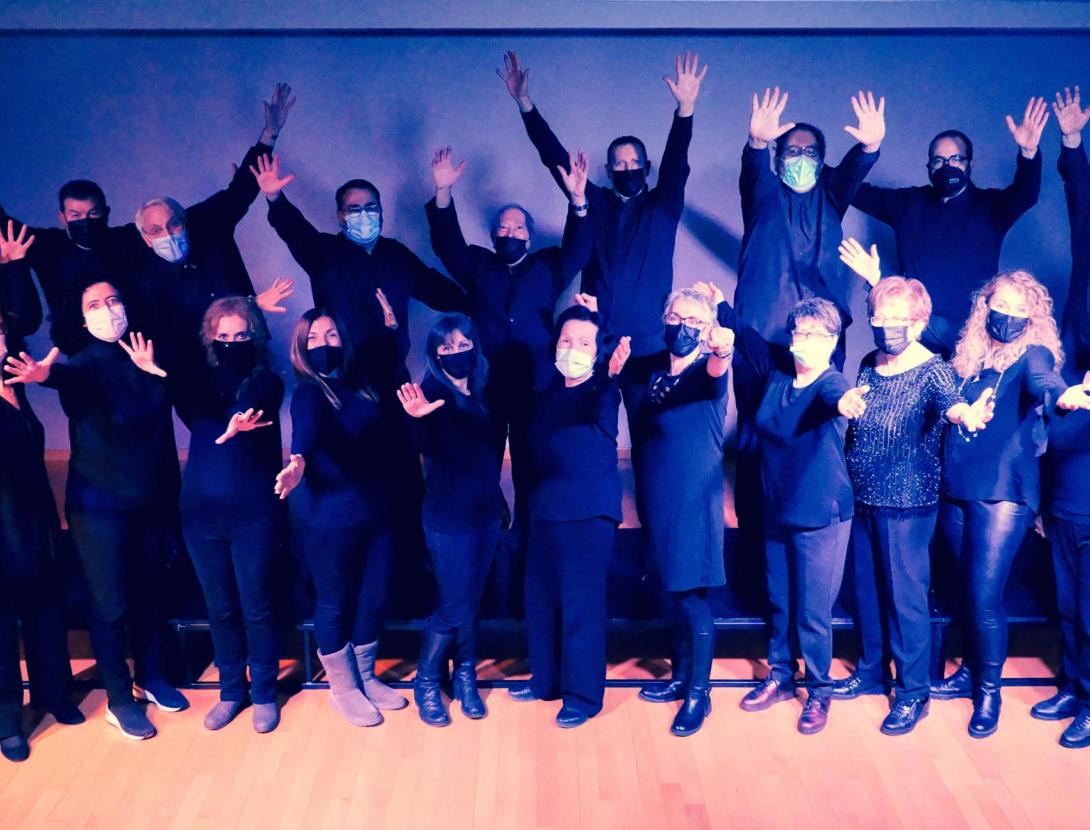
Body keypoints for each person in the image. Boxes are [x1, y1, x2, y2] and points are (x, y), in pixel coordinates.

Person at [498, 50, 704, 480]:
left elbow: (678, 164)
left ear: (646, 169)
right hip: (597, 344)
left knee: (651, 446)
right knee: (589, 438)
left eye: (634, 163)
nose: (627, 168)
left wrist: (684, 110)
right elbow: (553, 157)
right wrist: (525, 106)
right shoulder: (594, 203)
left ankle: (652, 530)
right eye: (619, 163)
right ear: (608, 170)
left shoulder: (663, 206)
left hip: (649, 347)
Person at [4, 278, 188, 741]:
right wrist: (47, 377)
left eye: (113, 300)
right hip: (99, 510)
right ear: (81, 317)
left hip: (147, 502)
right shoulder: (82, 363)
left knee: (148, 594)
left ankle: (152, 675)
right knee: (111, 606)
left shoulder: (143, 355)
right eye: (94, 304)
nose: (108, 309)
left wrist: (154, 372)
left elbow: (158, 425)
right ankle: (119, 698)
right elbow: (72, 380)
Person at [0, 84, 297, 359]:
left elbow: (238, 193)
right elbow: (5, 226)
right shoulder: (50, 247)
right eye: (75, 216)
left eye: (93, 214)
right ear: (62, 218)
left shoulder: (131, 239)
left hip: (162, 353)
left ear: (107, 212)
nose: (85, 222)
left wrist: (268, 136)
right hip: (87, 358)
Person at [833, 247, 993, 735]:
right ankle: (870, 670)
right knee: (868, 592)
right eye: (881, 315)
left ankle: (913, 693)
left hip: (907, 500)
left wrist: (968, 414)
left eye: (900, 317)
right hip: (862, 494)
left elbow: (954, 406)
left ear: (919, 322)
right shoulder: (866, 361)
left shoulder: (933, 369)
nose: (888, 324)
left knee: (906, 599)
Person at [732, 87, 884, 590]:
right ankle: (761, 570)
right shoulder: (763, 196)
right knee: (757, 447)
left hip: (819, 341)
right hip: (761, 342)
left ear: (822, 161)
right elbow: (753, 169)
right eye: (791, 151)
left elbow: (854, 170)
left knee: (817, 445)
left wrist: (868, 148)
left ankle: (816, 571)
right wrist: (756, 143)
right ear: (778, 159)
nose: (801, 158)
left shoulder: (830, 196)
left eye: (810, 151)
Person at [932, 270, 1090, 739]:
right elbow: (928, 324)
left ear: (1032, 317)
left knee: (984, 595)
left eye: (1020, 311)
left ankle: (989, 691)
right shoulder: (970, 354)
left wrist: (1064, 396)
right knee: (966, 588)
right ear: (986, 306)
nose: (1009, 318)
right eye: (1001, 307)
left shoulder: (1033, 354)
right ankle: (971, 671)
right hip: (958, 484)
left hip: (1004, 491)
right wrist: (878, 281)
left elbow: (1045, 380)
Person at [425, 145, 593, 541]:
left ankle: (528, 539)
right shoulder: (479, 266)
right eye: (504, 227)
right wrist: (443, 193)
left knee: (529, 467)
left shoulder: (549, 265)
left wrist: (579, 200)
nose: (511, 232)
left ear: (530, 238)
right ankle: (488, 532)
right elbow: (447, 247)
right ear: (493, 235)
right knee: (481, 461)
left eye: (519, 227)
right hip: (485, 385)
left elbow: (580, 249)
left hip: (535, 386)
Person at [716, 293, 866, 735]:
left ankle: (819, 690)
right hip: (777, 507)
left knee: (812, 610)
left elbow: (838, 397)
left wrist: (847, 405)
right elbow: (750, 340)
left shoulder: (829, 384)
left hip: (821, 513)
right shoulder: (779, 375)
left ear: (832, 341)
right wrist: (724, 306)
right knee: (780, 599)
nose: (805, 340)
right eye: (799, 332)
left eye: (816, 334)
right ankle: (780, 675)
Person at [274, 310, 408, 727]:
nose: (325, 342)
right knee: (334, 602)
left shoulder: (359, 385)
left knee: (374, 597)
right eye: (314, 336)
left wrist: (388, 328)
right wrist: (297, 462)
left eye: (332, 333)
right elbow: (306, 434)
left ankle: (366, 677)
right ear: (301, 347)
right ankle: (343, 688)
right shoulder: (308, 394)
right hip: (327, 519)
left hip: (375, 513)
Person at [506, 306, 631, 728]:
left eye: (583, 343)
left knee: (581, 605)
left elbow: (595, 399)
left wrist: (611, 375)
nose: (572, 348)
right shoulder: (547, 394)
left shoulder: (602, 390)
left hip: (587, 514)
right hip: (545, 511)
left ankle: (582, 696)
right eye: (566, 340)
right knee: (539, 600)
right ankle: (546, 681)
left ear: (596, 353)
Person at [252, 154, 466, 395]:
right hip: (342, 378)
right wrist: (274, 197)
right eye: (354, 209)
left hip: (394, 378)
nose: (364, 215)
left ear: (381, 212)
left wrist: (478, 309)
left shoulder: (396, 254)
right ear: (341, 216)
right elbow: (294, 230)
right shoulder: (323, 252)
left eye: (370, 207)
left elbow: (438, 290)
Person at [852, 97, 1049, 355]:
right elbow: (848, 190)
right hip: (915, 334)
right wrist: (869, 149)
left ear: (970, 164)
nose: (947, 167)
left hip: (971, 337)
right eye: (938, 161)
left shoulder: (991, 207)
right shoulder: (907, 203)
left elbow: (1025, 195)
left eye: (955, 159)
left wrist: (1029, 153)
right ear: (928, 166)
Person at [175, 297, 284, 733]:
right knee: (220, 609)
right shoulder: (197, 383)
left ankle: (264, 694)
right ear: (210, 339)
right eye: (224, 336)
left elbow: (257, 400)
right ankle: (231, 691)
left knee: (257, 607)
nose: (233, 342)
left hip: (253, 514)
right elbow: (191, 396)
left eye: (241, 335)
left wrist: (238, 421)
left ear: (254, 337)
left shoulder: (268, 382)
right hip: (201, 516)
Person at [631, 286, 733, 737]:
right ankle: (679, 676)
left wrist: (722, 348)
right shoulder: (653, 372)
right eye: (677, 316)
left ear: (708, 328)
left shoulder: (708, 372)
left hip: (694, 499)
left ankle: (699, 693)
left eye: (695, 321)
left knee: (692, 597)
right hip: (659, 496)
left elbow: (718, 362)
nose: (684, 327)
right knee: (675, 592)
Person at [0, 223, 83, 762]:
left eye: (2, 336)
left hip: (35, 525)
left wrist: (12, 268)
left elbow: (24, 317)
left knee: (48, 613)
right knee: (3, 628)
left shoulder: (19, 393)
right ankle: (8, 719)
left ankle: (56, 693)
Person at [396, 314, 505, 726]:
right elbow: (430, 446)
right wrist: (420, 420)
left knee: (470, 600)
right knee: (454, 604)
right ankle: (425, 681)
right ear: (435, 353)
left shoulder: (481, 389)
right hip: (449, 519)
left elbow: (484, 456)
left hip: (485, 512)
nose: (457, 352)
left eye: (464, 344)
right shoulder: (430, 394)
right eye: (447, 347)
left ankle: (465, 679)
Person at [1036, 86, 1090, 748]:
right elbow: (1081, 201)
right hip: (1076, 384)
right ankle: (1073, 685)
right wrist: (1072, 144)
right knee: (1068, 580)